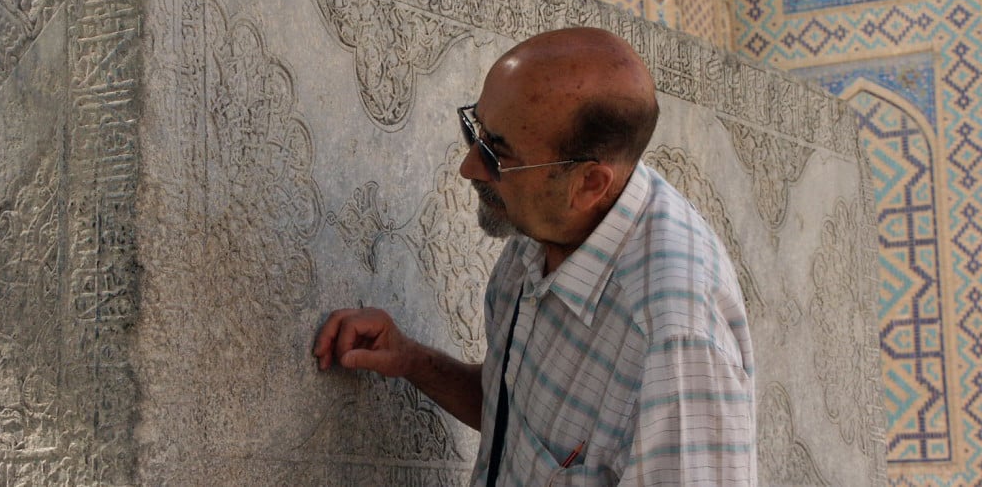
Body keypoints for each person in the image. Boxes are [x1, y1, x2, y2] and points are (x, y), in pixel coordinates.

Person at [313, 27, 757, 485]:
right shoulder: (545, 222)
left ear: (588, 184)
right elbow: (517, 416)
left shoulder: (675, 341)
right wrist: (410, 360)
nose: (469, 166)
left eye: (496, 154)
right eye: (475, 131)